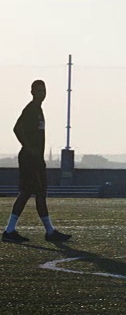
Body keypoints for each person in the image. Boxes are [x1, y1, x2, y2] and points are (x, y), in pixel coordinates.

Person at [2, 80, 72, 243]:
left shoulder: (38, 109)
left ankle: (48, 232)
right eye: (39, 91)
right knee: (29, 192)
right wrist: (28, 147)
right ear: (32, 92)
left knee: (38, 193)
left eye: (44, 90)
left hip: (36, 159)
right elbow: (16, 128)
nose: (42, 93)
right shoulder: (31, 109)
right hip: (30, 159)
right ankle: (10, 231)